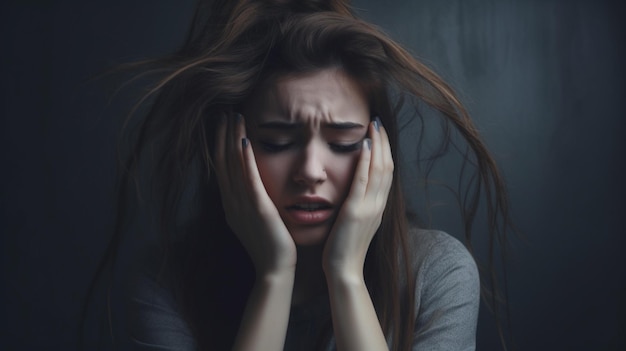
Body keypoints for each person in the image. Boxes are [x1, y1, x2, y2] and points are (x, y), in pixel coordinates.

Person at [92, 0, 513, 350]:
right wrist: (274, 276)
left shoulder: (437, 274)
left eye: (343, 142)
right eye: (277, 142)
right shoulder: (165, 286)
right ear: (225, 149)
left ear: (381, 152)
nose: (310, 172)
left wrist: (345, 276)